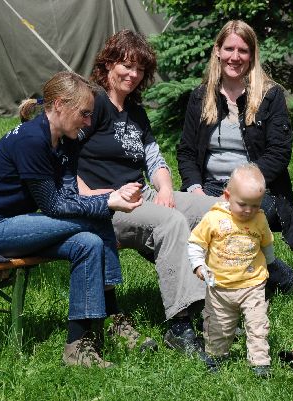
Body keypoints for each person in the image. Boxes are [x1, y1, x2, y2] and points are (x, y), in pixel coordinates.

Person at [0, 71, 143, 367]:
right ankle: (113, 316)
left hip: (20, 224)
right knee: (96, 219)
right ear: (59, 105)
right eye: (83, 114)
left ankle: (78, 347)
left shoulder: (65, 140)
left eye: (90, 115)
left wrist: (108, 198)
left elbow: (70, 198)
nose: (88, 122)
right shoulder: (32, 140)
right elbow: (55, 205)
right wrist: (108, 201)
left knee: (88, 242)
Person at [76, 30, 218, 358]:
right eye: (126, 65)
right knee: (170, 222)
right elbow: (63, 157)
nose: (133, 74)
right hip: (108, 207)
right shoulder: (91, 104)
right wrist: (92, 196)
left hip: (144, 195)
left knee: (216, 210)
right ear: (108, 65)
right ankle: (181, 326)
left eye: (140, 69)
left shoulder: (136, 112)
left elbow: (154, 159)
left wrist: (166, 189)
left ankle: (224, 308)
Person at [177, 20, 293, 295]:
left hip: (259, 191)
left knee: (227, 222)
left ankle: (262, 283)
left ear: (252, 55)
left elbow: (279, 153)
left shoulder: (270, 96)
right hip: (208, 186)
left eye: (243, 50)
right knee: (176, 223)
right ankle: (218, 289)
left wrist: (241, 187)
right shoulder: (201, 96)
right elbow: (186, 151)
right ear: (217, 51)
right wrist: (194, 188)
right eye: (229, 49)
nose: (235, 57)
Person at [188, 164, 274, 377]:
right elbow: (196, 243)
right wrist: (199, 265)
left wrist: (270, 263)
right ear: (227, 196)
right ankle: (216, 358)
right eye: (243, 204)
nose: (249, 210)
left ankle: (260, 363)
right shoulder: (214, 218)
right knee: (218, 326)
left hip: (252, 284)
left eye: (255, 205)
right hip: (220, 287)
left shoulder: (260, 218)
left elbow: (267, 244)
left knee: (258, 325)